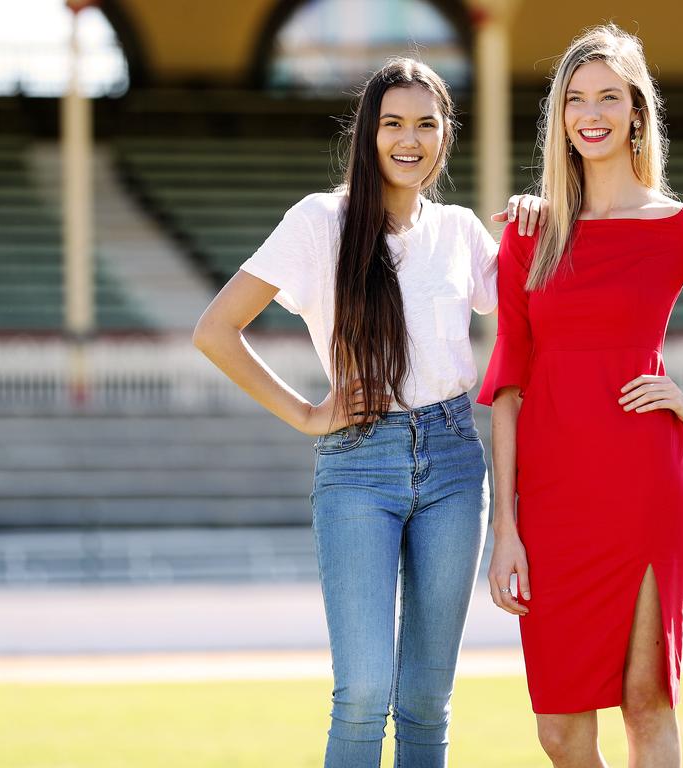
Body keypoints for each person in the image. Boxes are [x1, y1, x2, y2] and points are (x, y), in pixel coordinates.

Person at [478, 24, 683, 768]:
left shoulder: (681, 226)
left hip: (643, 486)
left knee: (645, 703)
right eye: (574, 99)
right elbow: (507, 381)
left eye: (608, 97)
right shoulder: (531, 235)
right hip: (552, 496)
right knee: (559, 731)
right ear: (559, 116)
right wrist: (505, 526)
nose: (590, 113)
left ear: (637, 112)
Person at [192, 57, 541, 768]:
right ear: (368, 133)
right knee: (363, 692)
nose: (408, 139)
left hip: (452, 463)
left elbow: (536, 304)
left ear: (446, 135)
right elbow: (216, 329)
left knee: (425, 700)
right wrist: (307, 415)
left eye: (425, 123)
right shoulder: (319, 222)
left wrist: (538, 217)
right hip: (358, 467)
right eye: (391, 123)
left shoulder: (461, 230)